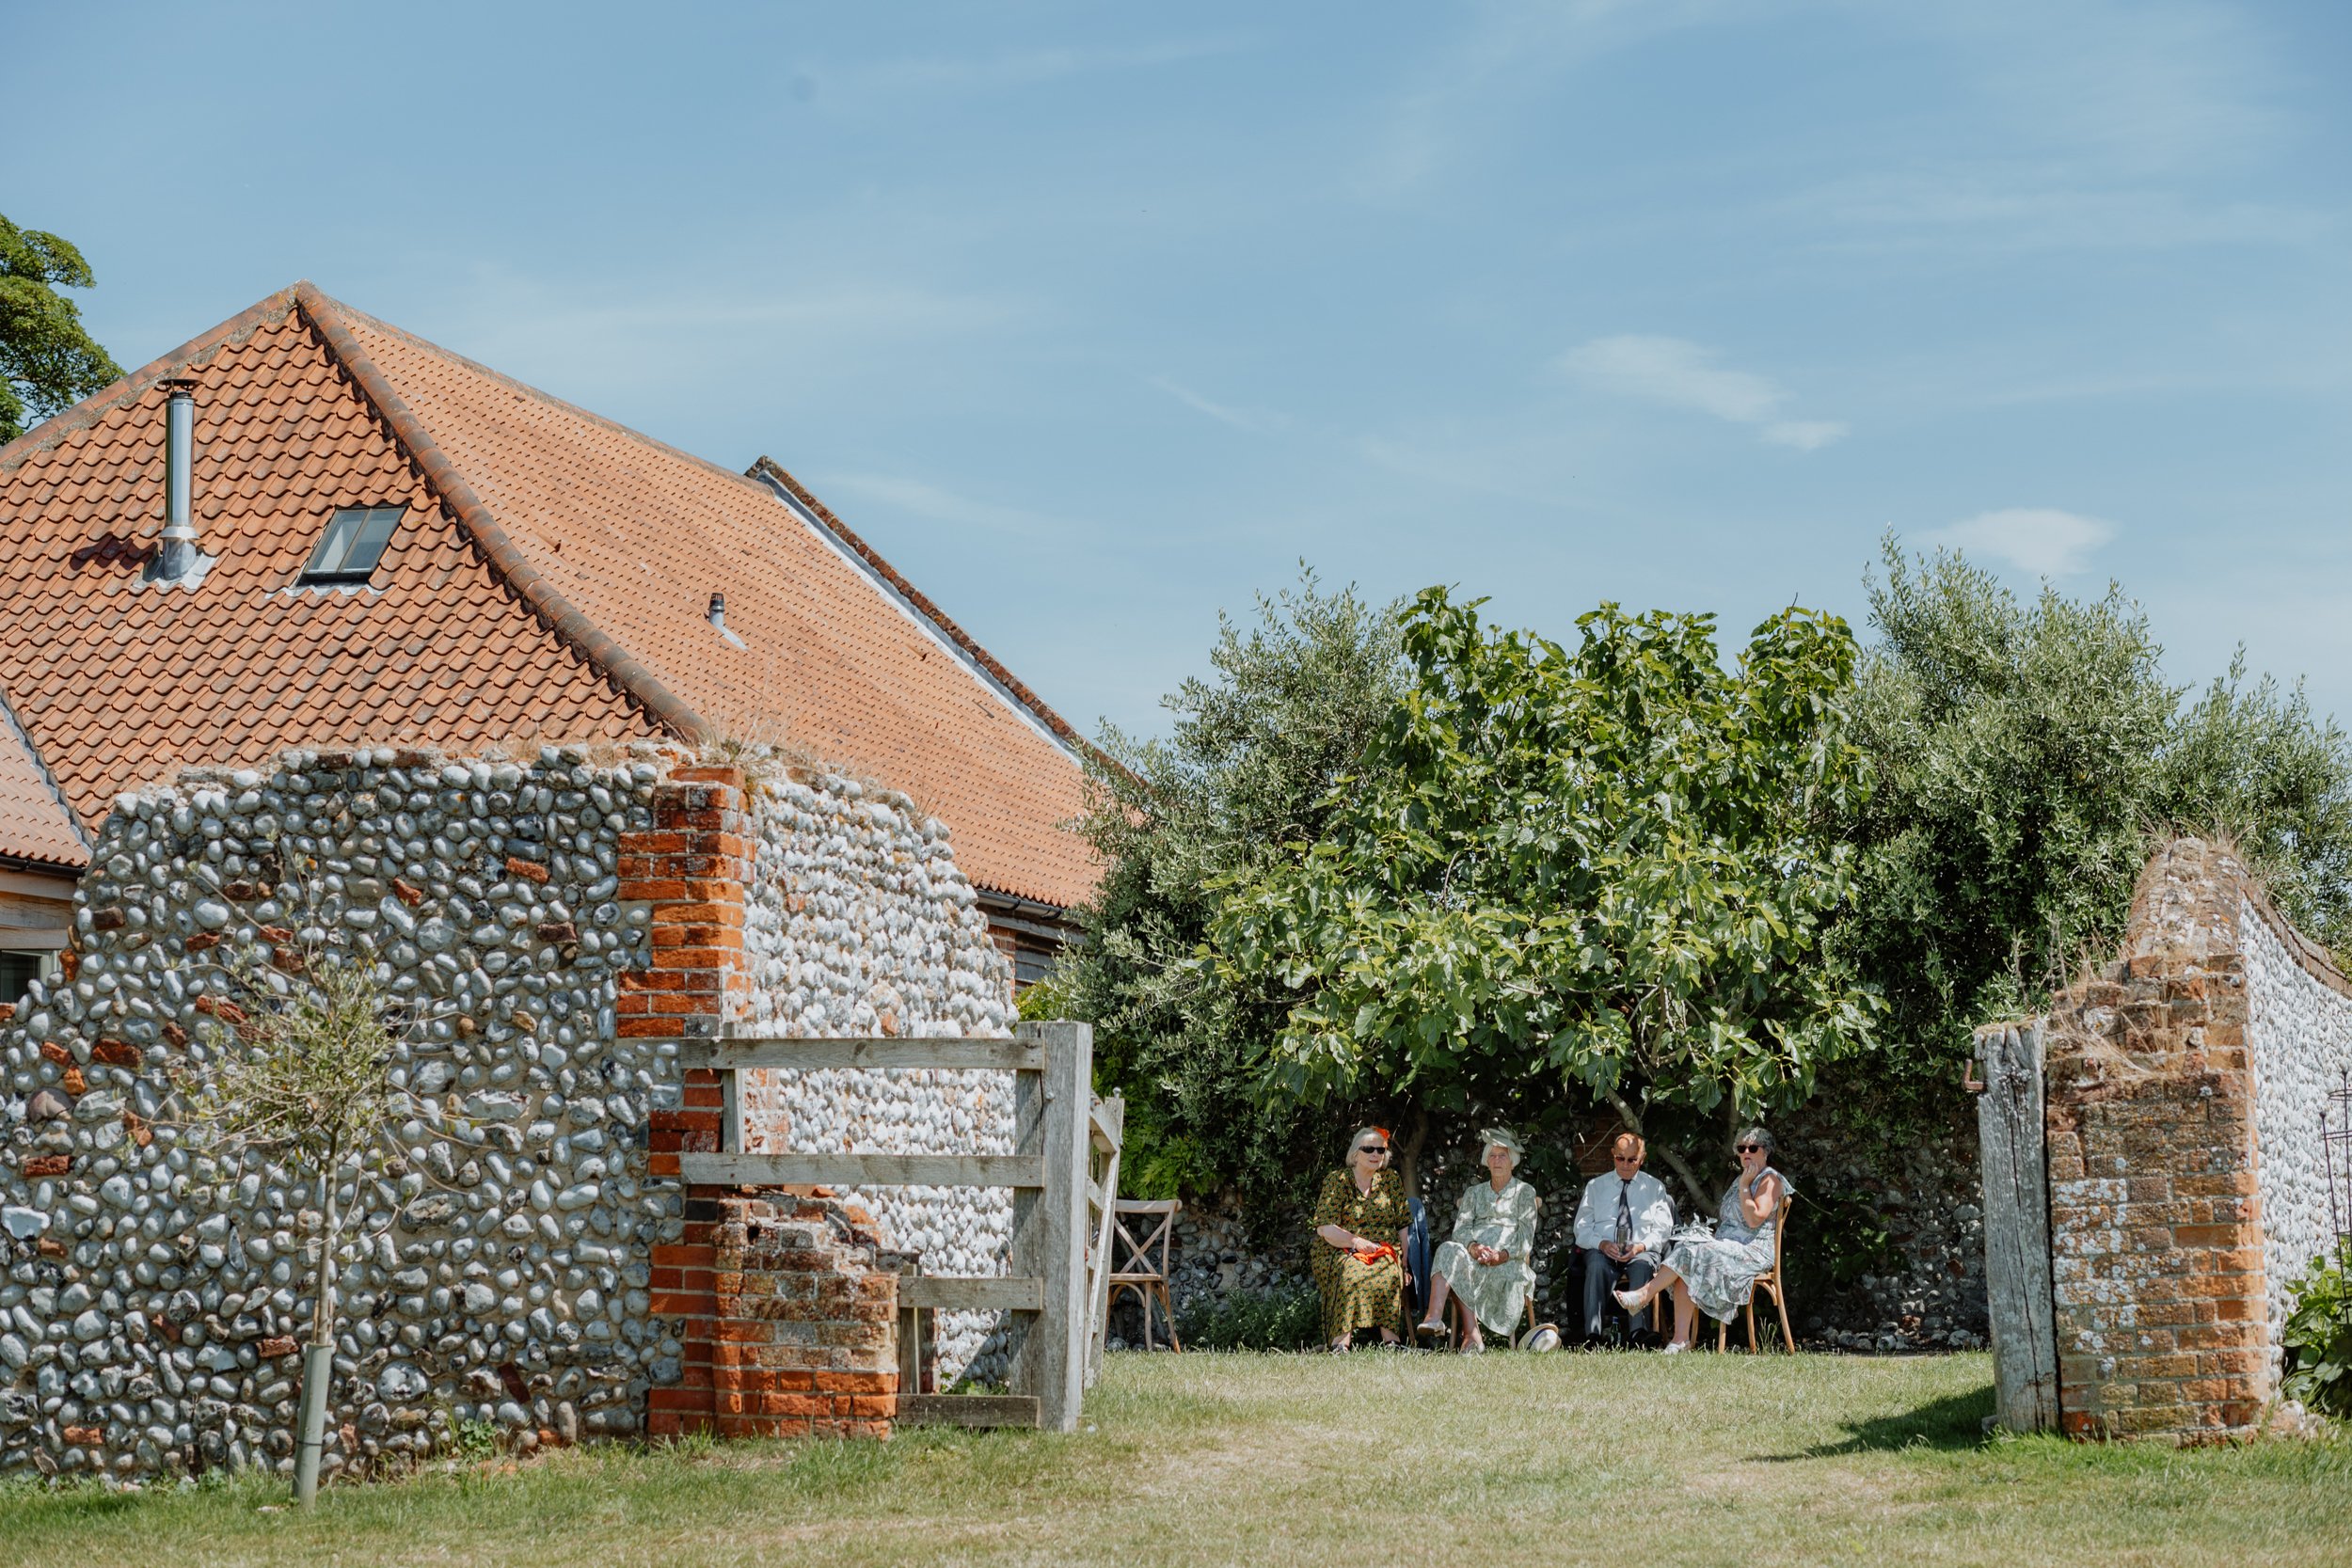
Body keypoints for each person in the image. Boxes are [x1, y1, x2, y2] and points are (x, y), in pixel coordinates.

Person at [1614, 1127, 1791, 1354]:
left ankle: (1643, 1296)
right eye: (1741, 1148)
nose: (1746, 1152)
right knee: (1687, 1253)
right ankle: (1680, 1340)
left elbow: (1754, 1219)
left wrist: (1745, 1187)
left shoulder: (1770, 1180)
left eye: (1752, 1148)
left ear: (1765, 1151)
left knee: (1690, 1254)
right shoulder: (1741, 1178)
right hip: (1727, 1247)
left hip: (1752, 1252)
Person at [1415, 1128, 1539, 1353]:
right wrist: (1474, 1248)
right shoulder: (1474, 1193)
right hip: (1474, 1258)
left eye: (1502, 1155)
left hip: (1509, 1262)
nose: (1497, 1160)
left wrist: (1500, 1255)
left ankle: (1472, 1336)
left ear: (1512, 1161)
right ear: (1486, 1161)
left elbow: (1525, 1237)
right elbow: (1460, 1230)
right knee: (1447, 1250)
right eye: (1492, 1155)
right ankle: (1434, 1318)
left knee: (1457, 1270)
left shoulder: (1525, 1192)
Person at [1311, 1127, 1412, 1352]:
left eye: (1381, 1150)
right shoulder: (1337, 1181)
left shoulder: (1390, 1180)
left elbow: (1403, 1224)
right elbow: (1325, 1228)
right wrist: (1356, 1242)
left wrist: (1404, 1261)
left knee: (1388, 1270)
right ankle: (1340, 1344)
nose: (1376, 1154)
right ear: (1355, 1154)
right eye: (1369, 1149)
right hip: (1339, 1249)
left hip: (1382, 1249)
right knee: (1351, 1272)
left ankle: (1392, 1343)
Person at [1573, 1132, 1675, 1342]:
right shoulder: (1595, 1187)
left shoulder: (1655, 1187)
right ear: (1613, 1155)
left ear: (1642, 1158)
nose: (1626, 1165)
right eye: (1620, 1158)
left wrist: (1640, 1246)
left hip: (1640, 1251)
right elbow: (1581, 1228)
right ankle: (1593, 1334)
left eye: (1632, 1159)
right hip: (1603, 1250)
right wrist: (1600, 1244)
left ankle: (1639, 1333)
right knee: (1596, 1266)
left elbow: (1664, 1229)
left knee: (1642, 1266)